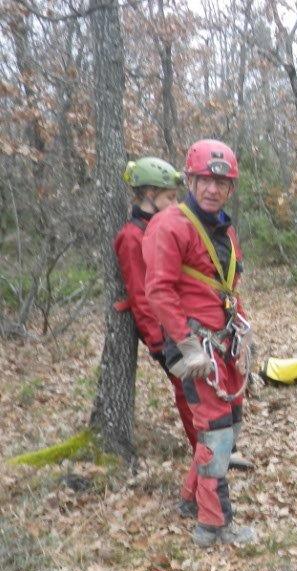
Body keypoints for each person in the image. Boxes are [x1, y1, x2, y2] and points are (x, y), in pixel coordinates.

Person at [144, 139, 257, 547]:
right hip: (194, 345)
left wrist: (244, 331)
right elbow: (158, 290)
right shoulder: (170, 225)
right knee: (216, 433)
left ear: (230, 188)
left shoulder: (224, 229)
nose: (213, 188)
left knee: (230, 427)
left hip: (223, 342)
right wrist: (186, 344)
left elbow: (228, 287)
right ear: (190, 179)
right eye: (205, 180)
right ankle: (213, 525)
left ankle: (192, 498)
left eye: (221, 182)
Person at [115, 158, 196, 449]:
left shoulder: (163, 228)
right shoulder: (132, 236)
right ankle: (203, 452)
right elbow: (141, 294)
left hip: (183, 322)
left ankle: (213, 447)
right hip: (164, 334)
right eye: (170, 198)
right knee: (187, 390)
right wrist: (159, 343)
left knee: (200, 389)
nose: (176, 204)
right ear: (149, 195)